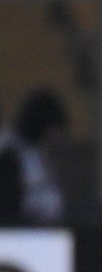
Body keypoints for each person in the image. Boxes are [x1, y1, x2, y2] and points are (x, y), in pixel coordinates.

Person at [0, 89, 68, 226]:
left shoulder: (36, 153)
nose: (56, 138)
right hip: (20, 230)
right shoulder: (11, 154)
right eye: (54, 131)